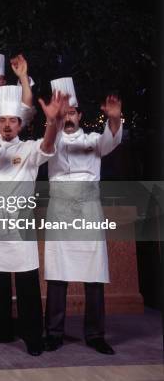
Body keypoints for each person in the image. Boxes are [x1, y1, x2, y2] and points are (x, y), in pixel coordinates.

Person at [0, 85, 65, 356]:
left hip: (21, 221)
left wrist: (52, 122)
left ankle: (32, 336)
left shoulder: (29, 149)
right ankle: (1, 330)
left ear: (20, 125)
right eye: (2, 120)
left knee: (28, 282)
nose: (6, 125)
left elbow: (49, 145)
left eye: (12, 121)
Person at [44, 77, 122, 355]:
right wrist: (51, 122)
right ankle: (53, 333)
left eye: (72, 113)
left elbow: (110, 139)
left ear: (80, 115)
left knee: (94, 277)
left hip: (88, 212)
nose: (68, 118)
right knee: (57, 276)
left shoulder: (92, 141)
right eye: (64, 113)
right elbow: (47, 145)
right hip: (60, 213)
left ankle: (95, 334)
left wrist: (114, 120)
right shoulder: (51, 141)